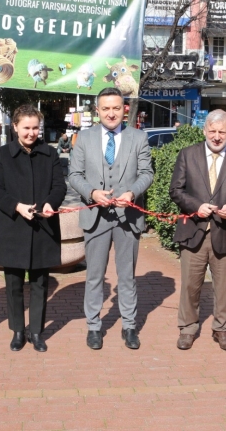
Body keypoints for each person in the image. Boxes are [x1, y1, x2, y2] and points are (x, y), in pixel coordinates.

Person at [68, 87, 154, 350]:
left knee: (127, 275)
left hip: (128, 216)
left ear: (124, 108)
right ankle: (94, 326)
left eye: (116, 108)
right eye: (105, 108)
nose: (111, 113)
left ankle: (129, 326)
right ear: (97, 111)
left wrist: (132, 192)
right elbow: (74, 175)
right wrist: (92, 193)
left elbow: (147, 173)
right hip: (96, 217)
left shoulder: (138, 138)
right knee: (94, 275)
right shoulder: (83, 138)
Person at [168, 110, 226, 351]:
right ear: (204, 130)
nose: (217, 137)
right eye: (212, 131)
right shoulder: (187, 155)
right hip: (193, 230)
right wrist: (196, 206)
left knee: (224, 286)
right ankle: (187, 328)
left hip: (225, 231)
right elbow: (176, 190)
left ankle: (222, 329)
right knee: (190, 285)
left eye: (222, 132)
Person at [0, 104, 67, 352]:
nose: (31, 133)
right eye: (26, 128)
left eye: (35, 128)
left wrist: (50, 203)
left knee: (39, 283)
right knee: (12, 283)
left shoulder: (50, 153)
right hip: (12, 227)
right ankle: (17, 331)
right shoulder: (3, 154)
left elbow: (59, 187)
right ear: (15, 127)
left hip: (43, 228)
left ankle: (36, 332)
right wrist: (17, 206)